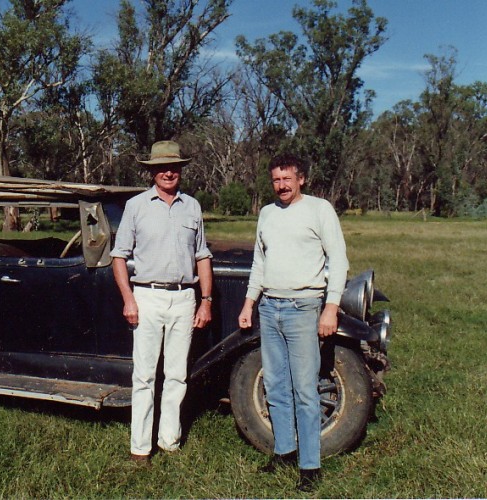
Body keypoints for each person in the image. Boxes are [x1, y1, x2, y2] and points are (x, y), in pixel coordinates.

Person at [237, 153, 348, 492]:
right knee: (275, 384)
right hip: (269, 308)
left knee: (304, 389)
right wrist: (249, 304)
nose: (281, 185)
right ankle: (284, 451)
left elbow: (339, 260)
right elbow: (259, 262)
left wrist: (330, 308)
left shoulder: (320, 209)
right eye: (276, 180)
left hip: (304, 308)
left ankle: (310, 466)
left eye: (287, 179)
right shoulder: (267, 214)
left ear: (301, 179)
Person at [111, 140, 214, 466]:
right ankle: (140, 449)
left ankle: (170, 441)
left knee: (176, 375)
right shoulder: (136, 206)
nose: (169, 172)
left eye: (174, 167)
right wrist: (129, 299)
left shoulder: (192, 207)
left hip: (184, 298)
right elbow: (118, 256)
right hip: (147, 297)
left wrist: (205, 301)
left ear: (181, 169)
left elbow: (202, 256)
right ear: (152, 171)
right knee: (144, 377)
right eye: (162, 168)